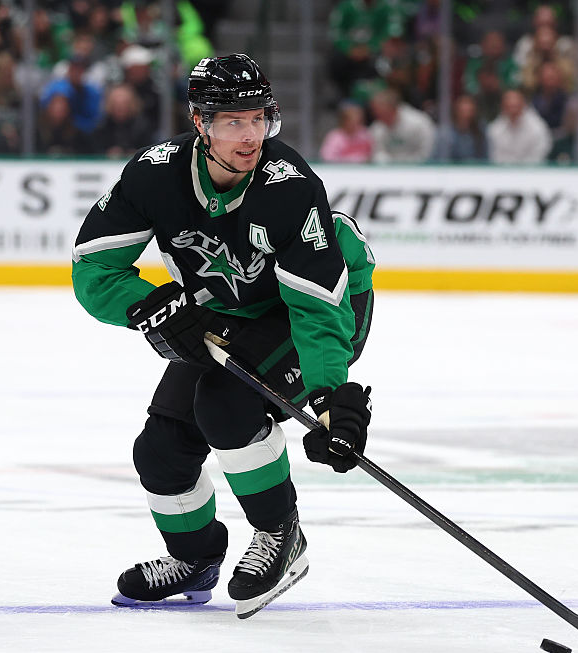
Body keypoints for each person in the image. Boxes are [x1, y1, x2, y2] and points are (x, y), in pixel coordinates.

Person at [71, 53, 375, 618]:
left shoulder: (290, 186)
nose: (250, 134)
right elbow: (92, 270)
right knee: (160, 450)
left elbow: (315, 305)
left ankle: (282, 534)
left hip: (320, 307)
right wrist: (152, 304)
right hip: (226, 314)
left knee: (225, 407)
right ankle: (196, 557)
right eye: (233, 120)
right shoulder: (155, 176)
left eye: (259, 118)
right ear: (200, 122)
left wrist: (330, 395)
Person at [368, 87, 436, 162]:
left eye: (381, 112)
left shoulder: (420, 123)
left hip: (417, 169)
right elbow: (377, 152)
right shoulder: (377, 127)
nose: (376, 115)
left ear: (393, 108)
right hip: (388, 169)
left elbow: (426, 153)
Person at [486, 89, 551, 164]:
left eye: (515, 106)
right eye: (509, 106)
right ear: (503, 107)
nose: (513, 110)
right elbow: (495, 156)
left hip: (531, 171)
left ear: (524, 105)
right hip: (504, 171)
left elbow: (540, 153)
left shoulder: (537, 127)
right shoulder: (495, 129)